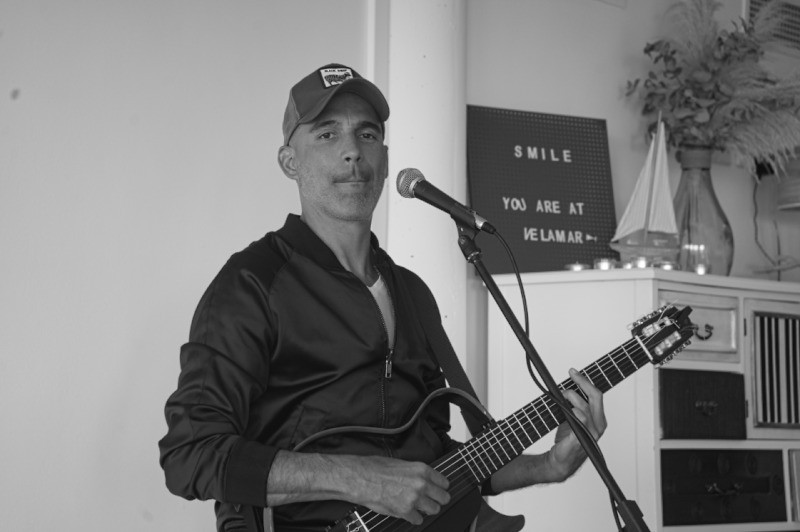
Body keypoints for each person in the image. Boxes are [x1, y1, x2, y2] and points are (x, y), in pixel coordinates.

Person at [159, 63, 607, 532]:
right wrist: (358, 479)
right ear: (290, 162)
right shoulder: (251, 283)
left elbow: (435, 461)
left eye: (367, 134)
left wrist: (547, 466)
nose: (353, 151)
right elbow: (190, 455)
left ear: (387, 159)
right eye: (327, 134)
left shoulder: (411, 293)